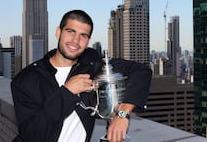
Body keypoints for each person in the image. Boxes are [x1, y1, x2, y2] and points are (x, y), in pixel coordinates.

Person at [11, 9, 152, 142]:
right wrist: (67, 92)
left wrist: (123, 114)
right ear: (58, 32)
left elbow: (141, 71)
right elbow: (31, 135)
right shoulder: (27, 79)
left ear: (88, 41)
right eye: (70, 31)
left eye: (83, 36)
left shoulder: (91, 63)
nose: (75, 40)